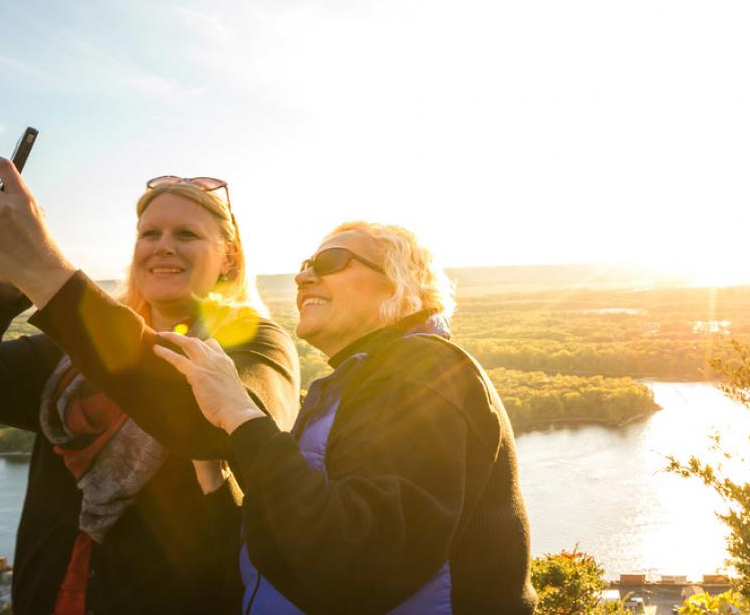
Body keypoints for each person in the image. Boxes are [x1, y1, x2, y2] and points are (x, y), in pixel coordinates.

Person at [0, 156, 299, 615]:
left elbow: (212, 427)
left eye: (186, 234)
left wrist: (43, 270)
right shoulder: (73, 357)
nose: (163, 247)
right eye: (149, 234)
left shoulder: (256, 344)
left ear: (228, 256)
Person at [156, 221, 536, 614]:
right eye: (305, 264)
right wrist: (215, 483)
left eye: (330, 260)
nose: (302, 276)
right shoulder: (351, 387)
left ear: (398, 284)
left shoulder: (424, 371)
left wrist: (241, 415)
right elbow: (286, 553)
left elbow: (358, 562)